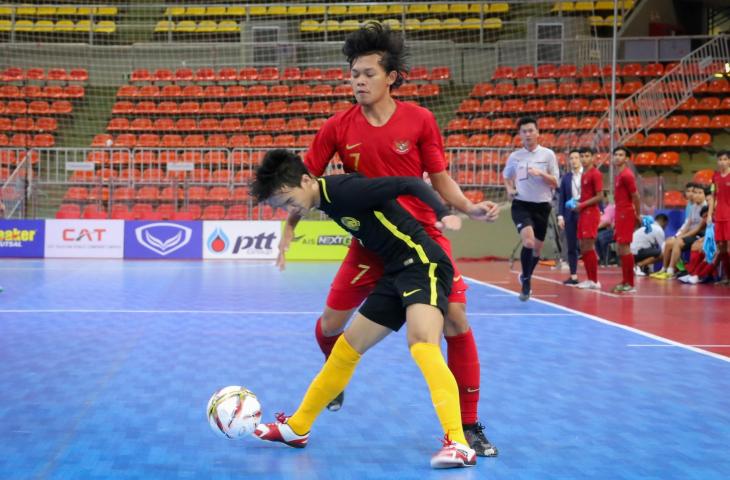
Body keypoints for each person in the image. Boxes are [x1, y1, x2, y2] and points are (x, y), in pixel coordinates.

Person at [277, 22, 500, 456]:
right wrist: (288, 229)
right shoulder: (336, 127)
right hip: (369, 245)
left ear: (391, 77)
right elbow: (305, 183)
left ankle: (468, 425)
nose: (358, 81)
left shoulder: (420, 119)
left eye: (368, 74)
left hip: (421, 241)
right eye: (353, 74)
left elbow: (439, 180)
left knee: (454, 321)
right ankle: (332, 382)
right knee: (329, 326)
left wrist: (468, 207)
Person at [251, 149, 490, 468]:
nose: (289, 209)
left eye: (288, 200)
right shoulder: (322, 199)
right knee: (345, 350)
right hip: (395, 271)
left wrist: (441, 211)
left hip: (423, 262)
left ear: (307, 180)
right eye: (281, 207)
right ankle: (297, 427)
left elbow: (408, 183)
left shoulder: (343, 190)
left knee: (421, 342)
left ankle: (459, 443)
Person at [503, 116, 559, 301]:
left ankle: (526, 275)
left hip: (542, 206)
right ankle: (526, 282)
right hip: (521, 204)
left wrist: (540, 173)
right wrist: (510, 189)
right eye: (524, 131)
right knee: (528, 242)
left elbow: (555, 182)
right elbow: (507, 176)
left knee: (537, 249)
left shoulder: (548, 155)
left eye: (530, 131)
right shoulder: (515, 157)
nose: (528, 134)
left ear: (537, 132)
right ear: (520, 135)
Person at [652, 184, 707, 279]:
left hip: (699, 235)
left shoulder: (705, 207)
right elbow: (688, 224)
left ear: (704, 195)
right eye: (695, 193)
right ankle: (663, 269)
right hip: (690, 234)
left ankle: (671, 270)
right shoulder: (693, 206)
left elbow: (698, 228)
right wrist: (678, 235)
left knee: (677, 242)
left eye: (700, 193)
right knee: (669, 242)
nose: (696, 195)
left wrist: (682, 237)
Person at [610, 147, 642, 293]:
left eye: (621, 155)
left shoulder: (627, 175)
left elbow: (635, 196)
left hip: (625, 213)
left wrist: (638, 214)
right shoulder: (619, 175)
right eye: (615, 154)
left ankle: (630, 283)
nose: (617, 157)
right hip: (620, 212)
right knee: (622, 248)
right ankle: (625, 281)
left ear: (627, 158)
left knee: (625, 247)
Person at [572, 147, 603, 289]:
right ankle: (590, 279)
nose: (584, 159)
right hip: (584, 212)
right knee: (583, 246)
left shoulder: (595, 174)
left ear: (593, 158)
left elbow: (599, 196)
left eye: (587, 156)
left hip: (591, 213)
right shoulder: (585, 174)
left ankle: (594, 280)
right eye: (582, 156)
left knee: (588, 245)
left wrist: (582, 204)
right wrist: (577, 202)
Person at [557, 149, 582, 285]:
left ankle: (592, 277)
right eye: (571, 158)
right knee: (571, 246)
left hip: (585, 213)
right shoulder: (566, 178)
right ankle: (573, 275)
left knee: (586, 245)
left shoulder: (587, 175)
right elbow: (562, 199)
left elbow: (597, 193)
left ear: (580, 159)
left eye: (576, 158)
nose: (574, 160)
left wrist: (600, 211)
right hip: (570, 214)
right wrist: (561, 216)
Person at [706, 150, 730, 284]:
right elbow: (713, 197)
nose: (722, 162)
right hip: (719, 216)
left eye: (725, 159)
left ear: (729, 161)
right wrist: (710, 215)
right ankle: (727, 277)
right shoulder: (715, 177)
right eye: (720, 159)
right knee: (721, 247)